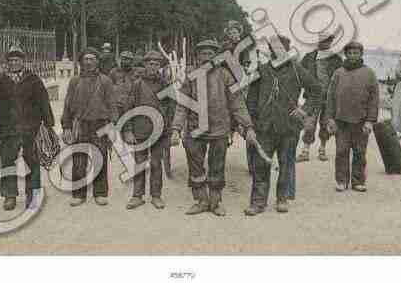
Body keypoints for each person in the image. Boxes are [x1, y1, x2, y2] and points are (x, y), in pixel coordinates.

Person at [170, 39, 258, 216]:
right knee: (195, 167)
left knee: (217, 166)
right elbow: (182, 105)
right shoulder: (190, 76)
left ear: (216, 56)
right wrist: (176, 129)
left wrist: (247, 125)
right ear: (198, 55)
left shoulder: (226, 75)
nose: (206, 57)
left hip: (219, 128)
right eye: (203, 53)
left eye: (210, 53)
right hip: (195, 130)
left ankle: (216, 202)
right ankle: (201, 200)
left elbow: (237, 102)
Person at [244, 35, 321, 215]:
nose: (277, 51)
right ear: (270, 50)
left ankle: (282, 198)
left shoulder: (296, 70)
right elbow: (251, 99)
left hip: (289, 127)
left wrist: (304, 109)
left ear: (287, 50)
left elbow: (316, 90)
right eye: (274, 48)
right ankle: (258, 202)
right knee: (260, 164)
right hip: (265, 127)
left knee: (286, 164)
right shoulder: (261, 70)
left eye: (281, 48)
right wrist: (251, 125)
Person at [0, 44, 55, 211]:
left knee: (32, 161)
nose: (13, 63)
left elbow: (43, 102)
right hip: (8, 129)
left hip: (30, 128)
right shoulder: (1, 81)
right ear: (7, 63)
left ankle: (32, 194)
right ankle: (9, 195)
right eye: (10, 60)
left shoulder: (33, 79)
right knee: (7, 161)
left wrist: (48, 125)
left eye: (17, 60)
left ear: (23, 61)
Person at [61, 47, 117, 207]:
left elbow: (112, 104)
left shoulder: (105, 81)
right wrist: (66, 126)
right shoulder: (74, 81)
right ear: (81, 62)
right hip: (80, 125)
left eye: (92, 59)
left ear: (97, 61)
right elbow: (67, 105)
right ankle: (79, 194)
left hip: (100, 124)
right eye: (86, 59)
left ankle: (100, 192)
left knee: (100, 158)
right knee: (79, 159)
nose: (89, 62)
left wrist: (112, 124)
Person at [326, 41, 379, 192]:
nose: (353, 56)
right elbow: (330, 97)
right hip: (341, 121)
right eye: (350, 53)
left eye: (356, 53)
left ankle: (358, 181)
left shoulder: (369, 73)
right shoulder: (338, 73)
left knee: (359, 152)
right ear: (345, 54)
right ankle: (342, 180)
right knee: (341, 151)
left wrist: (370, 121)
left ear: (361, 54)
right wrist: (330, 118)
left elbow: (374, 99)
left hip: (361, 121)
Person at [124, 50, 170, 210]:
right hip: (140, 130)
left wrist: (171, 131)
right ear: (145, 65)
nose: (153, 66)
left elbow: (170, 108)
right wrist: (128, 130)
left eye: (157, 64)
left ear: (160, 66)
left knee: (157, 163)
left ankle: (156, 196)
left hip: (159, 131)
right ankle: (137, 196)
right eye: (150, 63)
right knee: (139, 164)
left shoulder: (165, 84)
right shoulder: (137, 84)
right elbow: (128, 108)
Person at [297, 33, 343, 162]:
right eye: (322, 41)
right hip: (312, 96)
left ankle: (322, 150)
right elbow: (300, 73)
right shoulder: (309, 57)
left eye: (327, 41)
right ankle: (305, 150)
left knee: (325, 123)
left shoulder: (336, 59)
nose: (324, 43)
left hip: (329, 97)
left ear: (331, 42)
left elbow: (341, 78)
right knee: (309, 123)